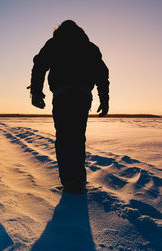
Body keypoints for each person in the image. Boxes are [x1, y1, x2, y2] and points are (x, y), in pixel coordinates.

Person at [29, 20, 109, 193]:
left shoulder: (54, 43)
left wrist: (36, 92)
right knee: (78, 137)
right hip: (82, 96)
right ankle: (78, 180)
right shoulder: (90, 47)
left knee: (64, 137)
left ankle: (69, 180)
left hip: (62, 95)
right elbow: (102, 74)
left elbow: (39, 66)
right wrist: (104, 99)